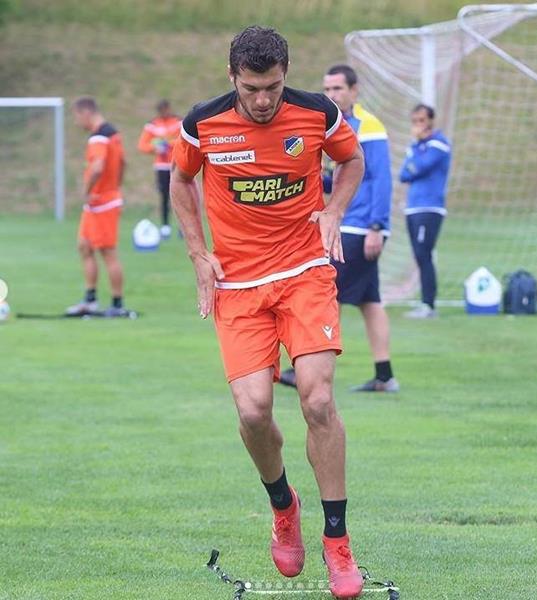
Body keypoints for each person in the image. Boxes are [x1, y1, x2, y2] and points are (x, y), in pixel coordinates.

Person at [170, 26, 365, 599]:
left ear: (286, 76)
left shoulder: (317, 113)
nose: (262, 100)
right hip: (239, 284)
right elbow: (181, 180)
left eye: (273, 88)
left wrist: (334, 210)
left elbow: (351, 160)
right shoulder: (202, 124)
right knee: (254, 410)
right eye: (252, 88)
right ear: (232, 77)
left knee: (318, 399)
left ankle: (337, 541)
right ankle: (284, 505)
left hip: (305, 271)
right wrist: (198, 253)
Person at [279, 64, 398, 393]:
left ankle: (306, 371)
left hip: (358, 229)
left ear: (354, 91)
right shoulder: (332, 125)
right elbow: (340, 178)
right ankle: (384, 375)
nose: (331, 95)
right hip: (351, 225)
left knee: (324, 294)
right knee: (369, 300)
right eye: (327, 89)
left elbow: (380, 178)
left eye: (338, 89)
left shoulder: (368, 126)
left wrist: (377, 226)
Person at [66, 96, 128, 317]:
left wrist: (86, 191)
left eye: (76, 116)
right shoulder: (112, 133)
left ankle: (117, 304)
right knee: (84, 246)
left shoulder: (99, 137)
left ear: (86, 113)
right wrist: (116, 187)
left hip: (101, 202)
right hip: (98, 202)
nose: (76, 122)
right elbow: (123, 163)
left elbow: (98, 167)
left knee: (107, 252)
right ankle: (90, 300)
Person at [399, 104, 452, 318]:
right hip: (412, 208)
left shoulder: (439, 144)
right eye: (414, 121)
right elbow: (404, 174)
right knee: (419, 255)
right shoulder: (416, 146)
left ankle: (429, 305)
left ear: (431, 121)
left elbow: (418, 167)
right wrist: (415, 151)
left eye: (421, 120)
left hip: (429, 208)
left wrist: (414, 157)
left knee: (424, 254)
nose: (418, 125)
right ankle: (425, 304)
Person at [137, 100, 182, 239]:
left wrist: (168, 144)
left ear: (169, 108)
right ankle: (165, 227)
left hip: (177, 164)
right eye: (161, 111)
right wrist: (155, 148)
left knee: (180, 195)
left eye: (165, 110)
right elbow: (142, 145)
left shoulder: (178, 122)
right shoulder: (152, 125)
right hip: (161, 166)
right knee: (164, 196)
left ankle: (182, 227)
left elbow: (183, 140)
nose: (164, 113)